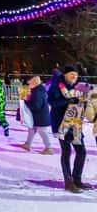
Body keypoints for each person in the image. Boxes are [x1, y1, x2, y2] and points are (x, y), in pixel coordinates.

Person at [48, 65, 90, 193]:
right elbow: (52, 103)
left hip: (75, 124)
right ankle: (68, 182)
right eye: (72, 74)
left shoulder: (78, 87)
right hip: (61, 123)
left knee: (81, 151)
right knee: (66, 151)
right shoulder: (57, 85)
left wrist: (84, 102)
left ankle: (77, 179)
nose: (74, 77)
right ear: (65, 75)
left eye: (76, 75)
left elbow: (83, 102)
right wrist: (68, 101)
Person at [20, 75, 53, 154]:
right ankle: (27, 144)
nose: (28, 85)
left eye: (29, 83)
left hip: (41, 117)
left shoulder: (37, 92)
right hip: (38, 116)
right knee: (31, 129)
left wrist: (26, 101)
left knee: (42, 131)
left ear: (33, 83)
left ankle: (48, 148)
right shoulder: (38, 89)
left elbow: (36, 106)